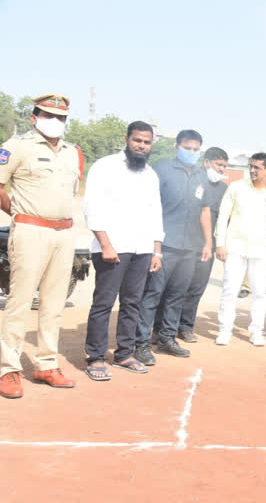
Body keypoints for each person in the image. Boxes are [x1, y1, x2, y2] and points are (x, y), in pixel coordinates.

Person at [0, 94, 81, 398]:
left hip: (64, 233)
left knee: (53, 304)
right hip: (30, 230)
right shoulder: (17, 147)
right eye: (48, 115)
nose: (55, 122)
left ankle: (46, 363)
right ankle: (8, 369)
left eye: (61, 117)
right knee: (20, 302)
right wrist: (18, 213)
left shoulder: (73, 153)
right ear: (34, 118)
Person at [82, 121, 164, 381]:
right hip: (112, 248)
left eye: (147, 142)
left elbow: (155, 212)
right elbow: (92, 207)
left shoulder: (150, 174)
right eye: (137, 140)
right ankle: (95, 356)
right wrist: (105, 244)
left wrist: (157, 250)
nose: (141, 146)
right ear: (126, 139)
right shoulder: (105, 167)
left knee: (132, 303)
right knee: (104, 303)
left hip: (142, 249)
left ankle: (124, 354)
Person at [133, 130, 212, 365]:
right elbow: (147, 207)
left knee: (178, 294)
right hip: (164, 243)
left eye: (196, 150)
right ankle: (141, 343)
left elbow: (204, 210)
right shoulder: (161, 170)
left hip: (190, 247)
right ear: (178, 147)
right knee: (153, 294)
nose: (192, 153)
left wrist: (207, 242)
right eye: (188, 148)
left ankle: (167, 337)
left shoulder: (201, 176)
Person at [216, 153, 266, 346]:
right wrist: (220, 243)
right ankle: (224, 330)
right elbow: (223, 217)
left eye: (257, 167)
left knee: (259, 293)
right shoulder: (236, 188)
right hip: (235, 247)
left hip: (260, 251)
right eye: (251, 166)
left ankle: (256, 332)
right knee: (230, 291)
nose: (253, 170)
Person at [170, 147, 229, 344]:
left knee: (197, 287)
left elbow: (223, 218)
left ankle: (186, 327)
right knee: (176, 286)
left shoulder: (223, 189)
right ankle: (163, 327)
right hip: (184, 243)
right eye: (218, 164)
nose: (221, 169)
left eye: (224, 166)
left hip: (206, 246)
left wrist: (216, 244)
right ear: (206, 163)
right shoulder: (193, 180)